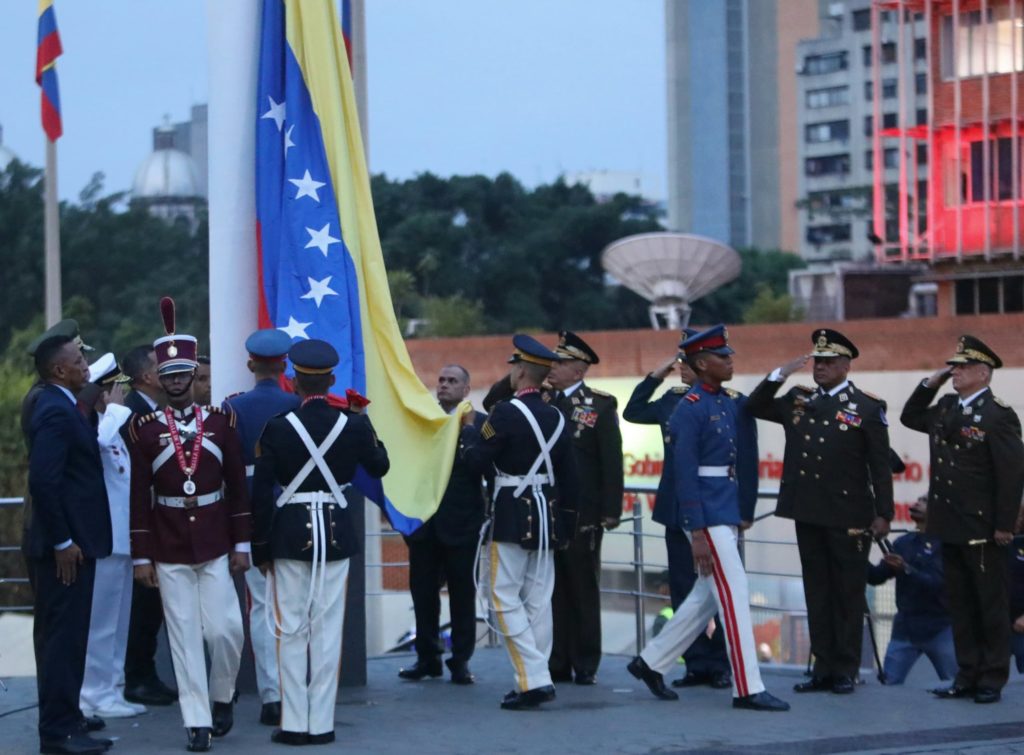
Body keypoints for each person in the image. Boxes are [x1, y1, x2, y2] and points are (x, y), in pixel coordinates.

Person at [627, 325, 788, 712]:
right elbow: (684, 474)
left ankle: (650, 663)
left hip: (723, 506)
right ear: (701, 363)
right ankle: (748, 687)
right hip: (705, 511)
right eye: (722, 356)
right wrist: (696, 529)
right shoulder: (690, 407)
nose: (730, 360)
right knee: (733, 596)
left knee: (704, 598)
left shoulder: (722, 401)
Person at [126, 297, 251, 752]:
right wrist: (141, 555)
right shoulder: (143, 430)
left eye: (185, 375)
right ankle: (196, 721)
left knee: (226, 631)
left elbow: (238, 489)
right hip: (168, 544)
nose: (178, 383)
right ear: (158, 380)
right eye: (170, 376)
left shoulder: (222, 424)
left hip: (217, 541)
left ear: (195, 379)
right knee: (181, 636)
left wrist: (243, 546)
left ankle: (222, 696)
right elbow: (140, 496)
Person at [252, 339, 390, 745]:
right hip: (335, 530)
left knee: (290, 628)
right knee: (328, 631)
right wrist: (364, 421)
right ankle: (322, 723)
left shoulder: (276, 428)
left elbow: (262, 494)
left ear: (292, 381)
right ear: (331, 380)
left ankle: (294, 723)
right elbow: (380, 466)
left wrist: (259, 546)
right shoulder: (354, 424)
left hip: (290, 531)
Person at [747, 328, 893, 695]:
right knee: (817, 591)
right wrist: (779, 374)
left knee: (847, 593)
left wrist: (884, 514)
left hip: (849, 513)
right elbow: (753, 407)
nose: (821, 368)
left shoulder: (866, 407)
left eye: (829, 362)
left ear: (845, 366)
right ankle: (823, 667)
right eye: (817, 362)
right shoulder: (798, 399)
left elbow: (880, 466)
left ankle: (845, 668)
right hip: (808, 509)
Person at [901, 335, 1024, 704]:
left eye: (964, 367)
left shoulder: (998, 415)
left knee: (989, 604)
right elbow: (909, 417)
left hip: (982, 525)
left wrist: (1005, 524)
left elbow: (1011, 473)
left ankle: (991, 677)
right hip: (949, 522)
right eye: (954, 365)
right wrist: (931, 383)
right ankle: (966, 674)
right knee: (960, 603)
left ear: (983, 374)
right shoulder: (946, 407)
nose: (956, 371)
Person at [460, 335, 579, 710]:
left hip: (512, 512)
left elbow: (477, 461)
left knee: (503, 597)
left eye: (514, 367)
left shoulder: (505, 413)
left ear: (522, 370)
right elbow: (570, 476)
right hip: (548, 513)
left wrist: (466, 436)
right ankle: (532, 679)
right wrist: (568, 524)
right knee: (538, 601)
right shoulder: (558, 415)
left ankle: (535, 679)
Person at [622, 332, 732, 690]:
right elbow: (633, 411)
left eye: (688, 363)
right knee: (684, 588)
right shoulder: (672, 400)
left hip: (712, 507)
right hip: (675, 506)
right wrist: (656, 375)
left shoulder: (722, 401)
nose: (683, 370)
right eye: (680, 363)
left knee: (717, 589)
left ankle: (718, 663)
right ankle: (696, 663)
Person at [27, 334, 114, 755]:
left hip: (74, 541)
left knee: (70, 637)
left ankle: (68, 717)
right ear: (60, 369)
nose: (86, 365)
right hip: (64, 548)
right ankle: (57, 733)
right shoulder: (54, 409)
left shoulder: (60, 402)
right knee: (61, 639)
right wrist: (62, 540)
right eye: (80, 359)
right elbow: (45, 480)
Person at [222, 329, 300, 726]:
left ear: (251, 365)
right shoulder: (298, 403)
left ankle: (271, 695)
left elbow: (228, 470)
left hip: (252, 512)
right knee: (296, 605)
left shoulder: (233, 409)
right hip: (294, 510)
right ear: (284, 365)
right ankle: (295, 692)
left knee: (261, 606)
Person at [399, 364, 487, 685]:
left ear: (466, 389)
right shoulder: (425, 423)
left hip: (463, 523)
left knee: (463, 594)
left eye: (453, 381)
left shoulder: (479, 423)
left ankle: (460, 661)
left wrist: (468, 430)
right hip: (424, 525)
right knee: (422, 594)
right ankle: (427, 658)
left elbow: (484, 465)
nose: (445, 385)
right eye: (441, 380)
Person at [545, 330, 623, 685]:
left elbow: (611, 462)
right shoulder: (544, 402)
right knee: (554, 588)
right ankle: (558, 660)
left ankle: (586, 661)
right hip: (551, 510)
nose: (553, 367)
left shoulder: (600, 405)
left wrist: (611, 509)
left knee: (583, 587)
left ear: (579, 370)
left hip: (584, 513)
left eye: (561, 363)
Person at [79, 354, 147, 720]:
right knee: (101, 623)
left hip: (123, 540)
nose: (119, 396)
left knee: (118, 622)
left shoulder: (110, 426)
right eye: (114, 389)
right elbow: (95, 444)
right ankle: (93, 693)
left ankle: (112, 688)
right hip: (105, 540)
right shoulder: (98, 427)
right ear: (104, 392)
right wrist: (116, 412)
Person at [119, 344, 176, 708]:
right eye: (161, 366)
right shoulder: (134, 416)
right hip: (141, 523)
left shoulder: (150, 413)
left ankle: (145, 672)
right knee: (142, 605)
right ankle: (137, 676)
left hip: (155, 522)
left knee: (151, 604)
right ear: (146, 376)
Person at [866, 497, 956, 684]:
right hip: (905, 629)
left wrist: (906, 569)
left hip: (940, 627)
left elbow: (937, 583)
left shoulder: (948, 545)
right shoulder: (903, 543)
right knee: (888, 683)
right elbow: (876, 577)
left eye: (924, 502)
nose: (915, 504)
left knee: (956, 683)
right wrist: (855, 553)